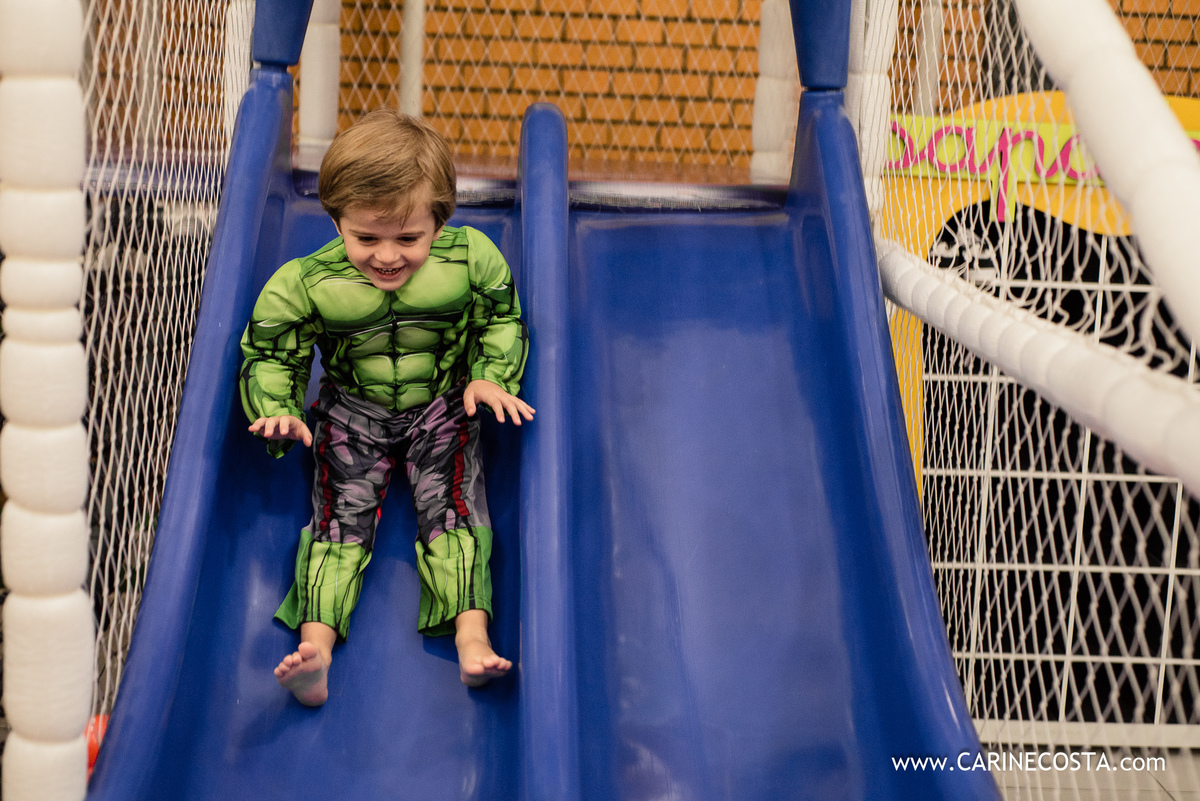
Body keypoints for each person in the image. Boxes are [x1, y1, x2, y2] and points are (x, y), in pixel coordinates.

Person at [238, 110, 533, 706]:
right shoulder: (305, 283)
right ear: (337, 219)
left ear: (439, 219)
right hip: (351, 412)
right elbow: (273, 351)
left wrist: (488, 378)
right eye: (366, 238)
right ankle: (314, 652)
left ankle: (472, 638)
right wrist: (279, 408)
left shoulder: (470, 260)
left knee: (454, 513)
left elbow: (500, 321)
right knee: (336, 524)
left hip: (442, 408)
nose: (387, 256)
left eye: (409, 238)